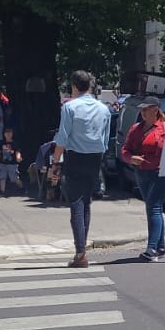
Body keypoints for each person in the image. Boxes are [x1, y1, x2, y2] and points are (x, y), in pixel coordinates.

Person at [52, 71, 111, 268]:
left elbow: (62, 137)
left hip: (76, 157)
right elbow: (105, 139)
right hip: (95, 158)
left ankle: (80, 252)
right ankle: (81, 249)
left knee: (76, 204)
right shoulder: (103, 109)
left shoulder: (69, 107)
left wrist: (55, 162)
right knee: (86, 202)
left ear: (74, 86)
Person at [122, 96, 165, 262]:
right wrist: (131, 158)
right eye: (141, 109)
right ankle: (161, 248)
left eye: (146, 109)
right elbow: (125, 150)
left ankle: (151, 249)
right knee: (153, 208)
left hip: (161, 173)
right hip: (142, 173)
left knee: (154, 207)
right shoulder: (135, 128)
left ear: (155, 110)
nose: (142, 112)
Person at [0, 127, 24, 196]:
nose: (8, 134)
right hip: (3, 163)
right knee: (2, 177)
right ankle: (2, 191)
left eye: (10, 132)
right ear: (4, 134)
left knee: (15, 178)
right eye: (6, 132)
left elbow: (18, 151)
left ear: (12, 134)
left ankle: (22, 187)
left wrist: (18, 157)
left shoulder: (15, 143)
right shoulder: (1, 143)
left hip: (12, 164)